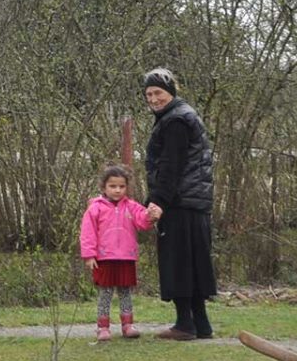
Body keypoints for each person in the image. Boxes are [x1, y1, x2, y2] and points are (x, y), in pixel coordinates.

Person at [141, 68, 218, 340]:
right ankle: (201, 325)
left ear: (170, 92)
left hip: (180, 202)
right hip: (193, 202)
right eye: (149, 94)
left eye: (158, 93)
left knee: (180, 263)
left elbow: (171, 166)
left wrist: (159, 201)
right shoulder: (180, 116)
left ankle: (185, 324)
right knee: (194, 263)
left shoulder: (175, 121)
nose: (153, 99)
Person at [79, 164, 154, 341]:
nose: (117, 190)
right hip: (104, 258)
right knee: (105, 293)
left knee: (125, 292)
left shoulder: (132, 206)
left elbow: (143, 222)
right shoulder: (95, 208)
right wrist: (89, 255)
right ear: (104, 187)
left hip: (126, 257)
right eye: (113, 186)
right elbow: (87, 233)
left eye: (121, 186)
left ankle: (128, 325)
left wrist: (151, 215)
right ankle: (103, 327)